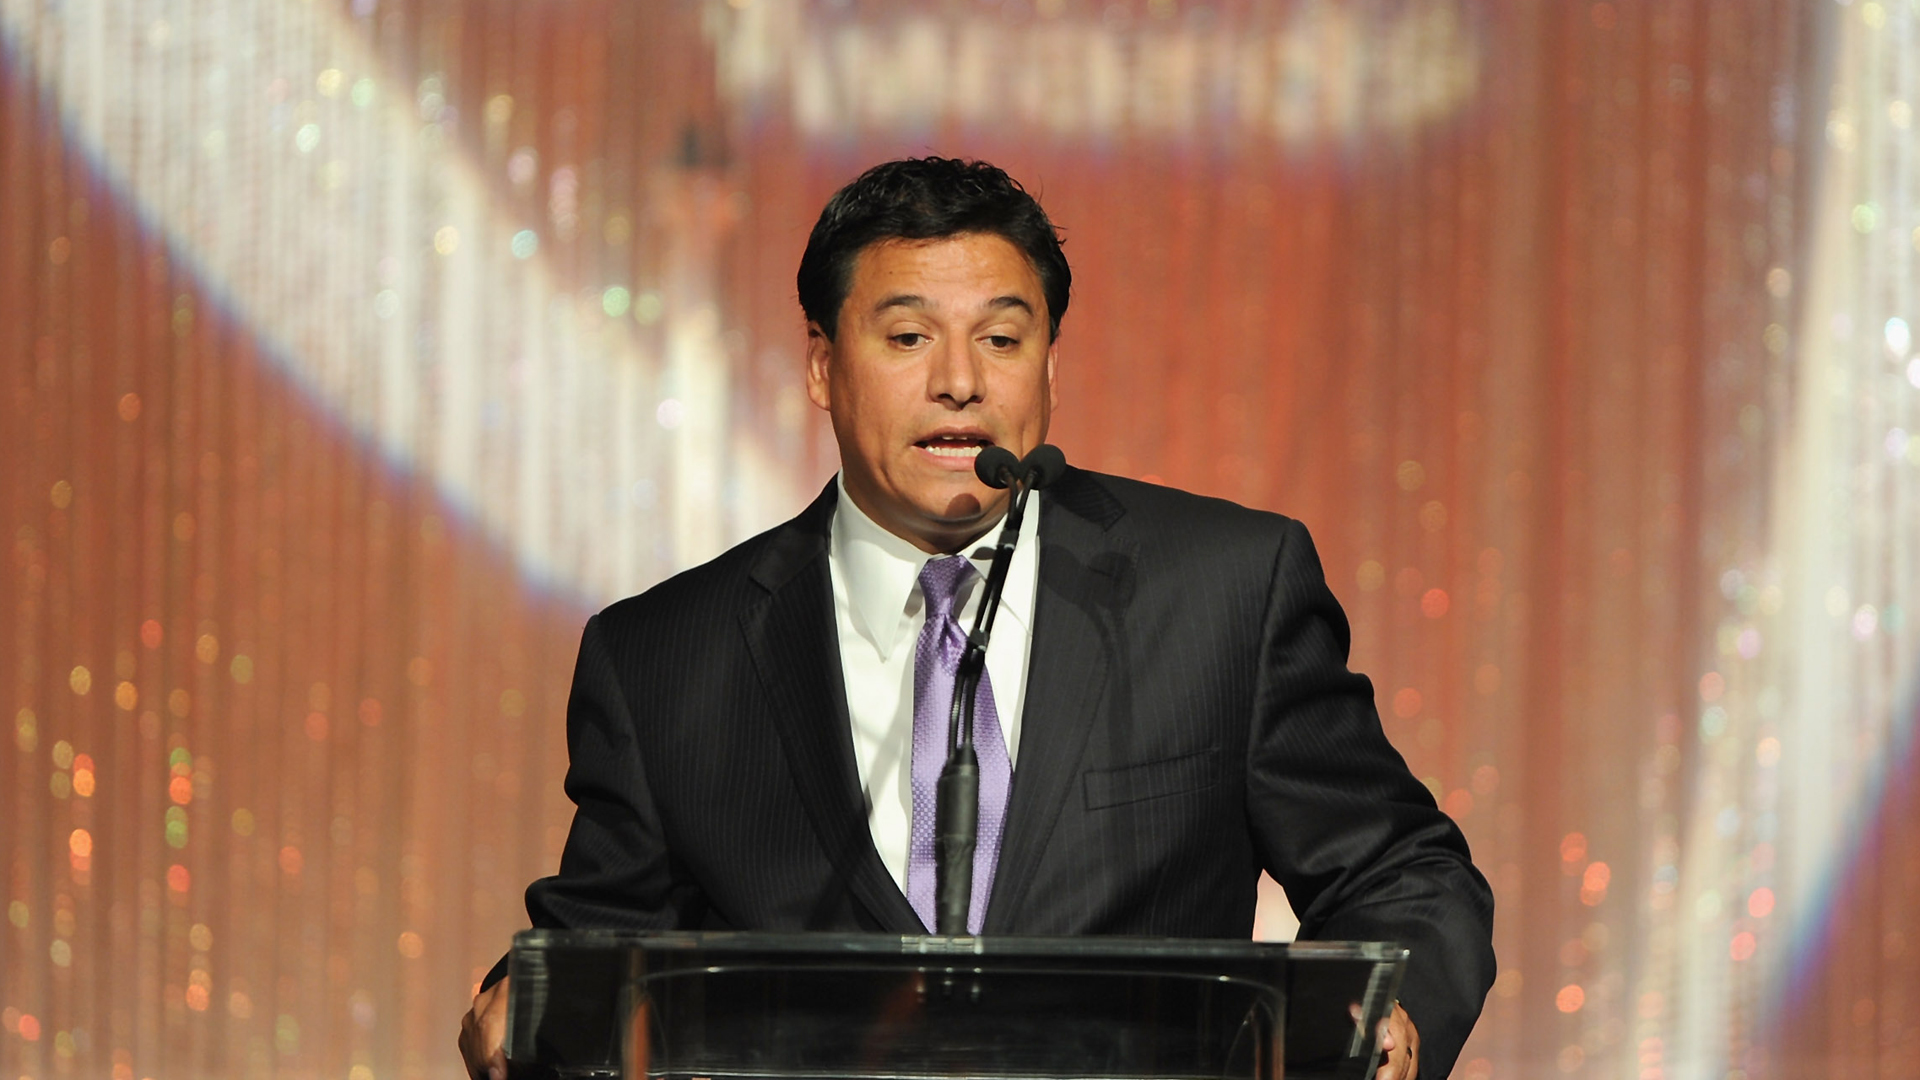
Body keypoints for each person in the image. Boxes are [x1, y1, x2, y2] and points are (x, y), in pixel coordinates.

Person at [459, 157, 1494, 1080]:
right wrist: (521, 1009)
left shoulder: (1221, 590)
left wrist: (1386, 1019)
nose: (959, 381)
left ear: (1048, 360)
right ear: (822, 364)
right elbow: (594, 950)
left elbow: (1403, 870)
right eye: (908, 336)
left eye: (1002, 337)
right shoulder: (667, 658)